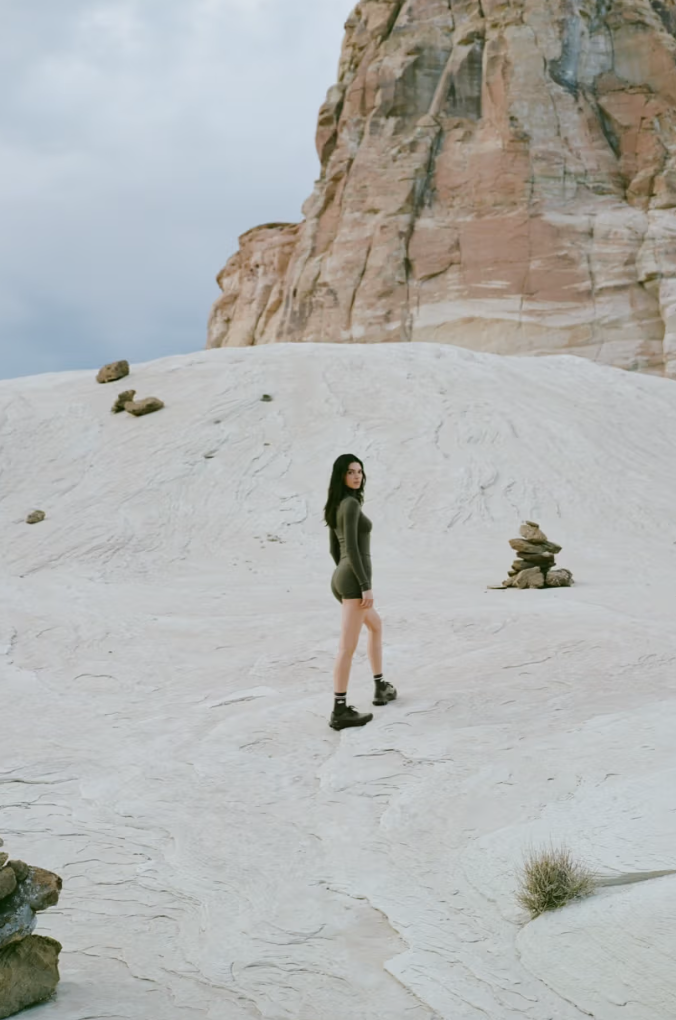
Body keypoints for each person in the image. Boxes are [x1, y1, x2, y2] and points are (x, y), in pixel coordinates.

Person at [323, 454, 397, 730]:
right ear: (341, 475)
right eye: (350, 472)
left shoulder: (337, 505)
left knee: (375, 626)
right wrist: (363, 586)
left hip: (342, 577)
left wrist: (342, 575)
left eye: (359, 472)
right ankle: (339, 710)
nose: (357, 476)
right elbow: (352, 548)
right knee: (347, 647)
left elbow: (335, 549)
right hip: (353, 582)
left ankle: (380, 687)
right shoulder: (351, 504)